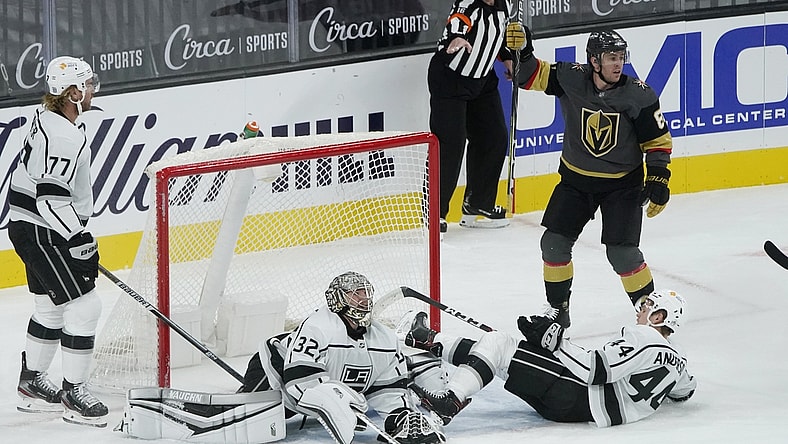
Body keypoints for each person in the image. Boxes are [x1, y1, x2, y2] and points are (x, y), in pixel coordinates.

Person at [511, 27, 673, 326]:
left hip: (622, 186)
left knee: (623, 255)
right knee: (553, 243)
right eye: (611, 58)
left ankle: (652, 318)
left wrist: (659, 177)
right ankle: (558, 310)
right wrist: (522, 50)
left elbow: (657, 141)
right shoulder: (570, 77)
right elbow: (527, 76)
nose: (618, 64)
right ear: (594, 61)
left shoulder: (639, 94)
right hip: (576, 181)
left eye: (621, 58)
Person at [406, 289, 696, 427]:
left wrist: (554, 342)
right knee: (500, 353)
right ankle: (429, 342)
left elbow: (596, 370)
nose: (640, 310)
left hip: (577, 397)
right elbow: (685, 391)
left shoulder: (644, 337)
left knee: (499, 343)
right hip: (580, 405)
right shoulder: (678, 358)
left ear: (659, 318)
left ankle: (450, 402)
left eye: (648, 307)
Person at [7, 56, 107, 426]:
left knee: (50, 309)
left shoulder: (48, 117)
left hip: (29, 226)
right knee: (85, 308)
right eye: (88, 84)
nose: (94, 88)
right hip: (43, 230)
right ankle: (73, 393)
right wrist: (78, 237)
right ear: (73, 93)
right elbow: (51, 198)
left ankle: (32, 384)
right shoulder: (64, 136)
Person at [238, 271, 446, 444]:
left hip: (320, 386)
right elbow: (300, 385)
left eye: (365, 292)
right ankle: (239, 400)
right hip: (275, 373)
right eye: (354, 294)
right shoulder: (317, 327)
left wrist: (398, 418)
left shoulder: (385, 339)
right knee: (250, 420)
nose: (363, 299)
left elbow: (387, 391)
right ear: (337, 298)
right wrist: (338, 403)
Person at [430, 0, 524, 233]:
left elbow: (499, 33)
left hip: (482, 81)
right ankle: (434, 214)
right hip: (450, 79)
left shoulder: (506, 4)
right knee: (450, 144)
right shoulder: (467, 3)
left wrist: (508, 57)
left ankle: (477, 203)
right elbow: (457, 21)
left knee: (494, 137)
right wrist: (457, 38)